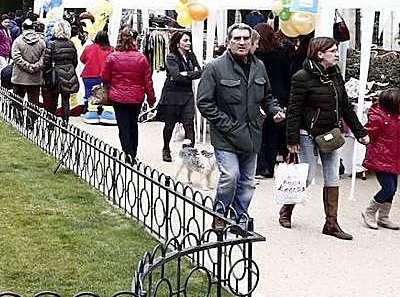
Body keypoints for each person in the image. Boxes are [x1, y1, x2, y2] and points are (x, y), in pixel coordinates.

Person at [196, 23, 285, 224]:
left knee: (247, 182)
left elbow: (267, 96)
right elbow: (204, 103)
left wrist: (275, 111)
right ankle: (220, 215)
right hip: (226, 135)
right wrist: (227, 124)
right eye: (237, 39)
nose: (242, 42)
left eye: (246, 38)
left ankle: (239, 218)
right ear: (228, 42)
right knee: (230, 176)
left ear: (252, 41)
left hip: (252, 134)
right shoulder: (214, 68)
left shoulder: (259, 66)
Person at [284, 36, 367, 239]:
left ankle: (331, 223)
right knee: (308, 175)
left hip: (330, 133)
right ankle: (287, 209)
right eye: (332, 51)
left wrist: (360, 132)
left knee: (332, 175)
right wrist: (292, 140)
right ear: (319, 54)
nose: (337, 54)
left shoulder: (336, 74)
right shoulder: (301, 77)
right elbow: (294, 110)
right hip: (306, 134)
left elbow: (345, 106)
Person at [101, 28, 156, 162]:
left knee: (123, 125)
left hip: (118, 96)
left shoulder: (112, 57)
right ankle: (133, 152)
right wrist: (151, 98)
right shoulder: (141, 59)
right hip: (136, 97)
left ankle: (127, 152)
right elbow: (147, 81)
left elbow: (105, 77)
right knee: (133, 124)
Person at [253, 23, 292, 179]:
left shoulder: (256, 55)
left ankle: (261, 166)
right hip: (279, 93)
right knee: (273, 133)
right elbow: (286, 75)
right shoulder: (282, 52)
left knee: (259, 132)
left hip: (261, 93)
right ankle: (269, 166)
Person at [159, 30, 201, 162]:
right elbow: (176, 76)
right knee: (169, 124)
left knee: (189, 124)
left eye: (189, 40)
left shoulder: (191, 56)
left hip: (187, 94)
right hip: (172, 95)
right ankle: (166, 148)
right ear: (178, 43)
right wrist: (189, 74)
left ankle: (190, 153)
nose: (188, 43)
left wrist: (186, 74)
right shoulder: (171, 57)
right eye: (185, 40)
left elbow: (200, 72)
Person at [362, 87, 400, 230]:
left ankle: (384, 217)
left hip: (394, 158)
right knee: (388, 188)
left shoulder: (397, 116)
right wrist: (365, 138)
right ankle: (369, 212)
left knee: (393, 188)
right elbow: (367, 133)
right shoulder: (379, 118)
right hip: (380, 158)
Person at [42, 20, 80, 122]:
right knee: (65, 99)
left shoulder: (52, 44)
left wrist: (45, 73)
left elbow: (46, 61)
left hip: (56, 73)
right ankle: (65, 122)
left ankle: (51, 121)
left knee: (53, 99)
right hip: (69, 72)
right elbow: (75, 60)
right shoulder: (71, 43)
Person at [79, 30, 113, 125]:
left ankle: (91, 113)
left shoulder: (88, 48)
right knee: (105, 94)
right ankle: (106, 113)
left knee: (89, 94)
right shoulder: (111, 49)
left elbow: (82, 59)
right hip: (104, 76)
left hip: (88, 74)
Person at [10, 20, 47, 108]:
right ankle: (30, 121)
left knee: (17, 101)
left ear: (23, 28)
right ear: (33, 28)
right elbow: (44, 57)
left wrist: (26, 66)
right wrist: (36, 66)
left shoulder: (17, 41)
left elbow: (16, 57)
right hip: (35, 78)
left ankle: (18, 119)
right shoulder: (41, 42)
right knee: (33, 103)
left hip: (19, 78)